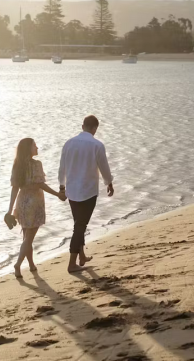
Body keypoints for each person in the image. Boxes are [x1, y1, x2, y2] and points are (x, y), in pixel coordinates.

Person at [59, 115, 114, 273]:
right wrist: (109, 183)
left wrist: (62, 187)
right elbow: (104, 167)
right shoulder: (96, 145)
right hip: (88, 191)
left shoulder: (68, 143)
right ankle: (71, 263)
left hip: (72, 191)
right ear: (94, 128)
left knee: (79, 223)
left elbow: (62, 167)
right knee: (80, 226)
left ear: (82, 126)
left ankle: (81, 257)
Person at [7, 137, 66, 278]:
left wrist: (10, 211)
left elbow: (14, 188)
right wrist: (58, 194)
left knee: (27, 237)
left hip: (22, 202)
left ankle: (32, 264)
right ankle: (18, 264)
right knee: (29, 239)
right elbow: (41, 184)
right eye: (35, 145)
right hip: (34, 203)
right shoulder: (36, 164)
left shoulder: (17, 165)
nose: (37, 147)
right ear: (29, 149)